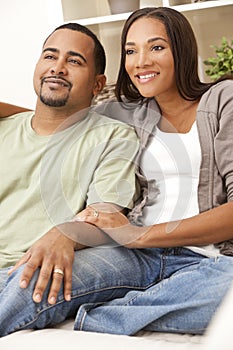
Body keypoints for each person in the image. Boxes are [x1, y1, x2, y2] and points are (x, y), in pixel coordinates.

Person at [1, 6, 233, 337]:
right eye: (130, 50)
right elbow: (58, 112)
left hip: (211, 260)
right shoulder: (124, 114)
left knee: (225, 294)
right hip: (134, 257)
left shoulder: (224, 99)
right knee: (40, 277)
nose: (141, 61)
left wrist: (140, 235)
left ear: (181, 49)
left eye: (156, 47)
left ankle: (100, 318)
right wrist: (25, 116)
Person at [0, 22, 140, 337]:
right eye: (50, 56)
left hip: (21, 272)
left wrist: (63, 234)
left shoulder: (113, 137)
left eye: (74, 61)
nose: (58, 68)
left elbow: (107, 213)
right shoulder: (5, 128)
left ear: (97, 83)